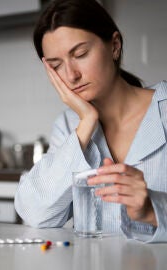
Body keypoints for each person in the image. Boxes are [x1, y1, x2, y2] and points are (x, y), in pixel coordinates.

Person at [14, 0, 167, 243]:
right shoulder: (68, 125)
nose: (71, 75)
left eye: (81, 54)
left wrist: (153, 209)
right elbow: (36, 214)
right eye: (56, 66)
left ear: (114, 46)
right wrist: (86, 122)